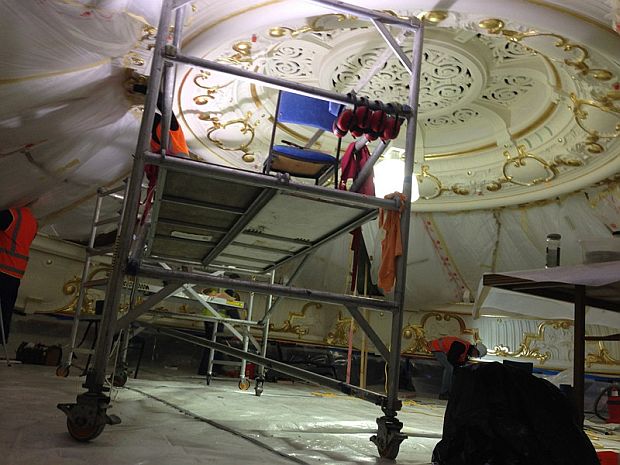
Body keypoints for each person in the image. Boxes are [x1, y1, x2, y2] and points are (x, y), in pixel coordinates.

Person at [0, 206, 38, 342]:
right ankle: (2, 340)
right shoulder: (33, 222)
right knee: (5, 310)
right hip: (15, 274)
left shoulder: (10, 214)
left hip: (3, 268)